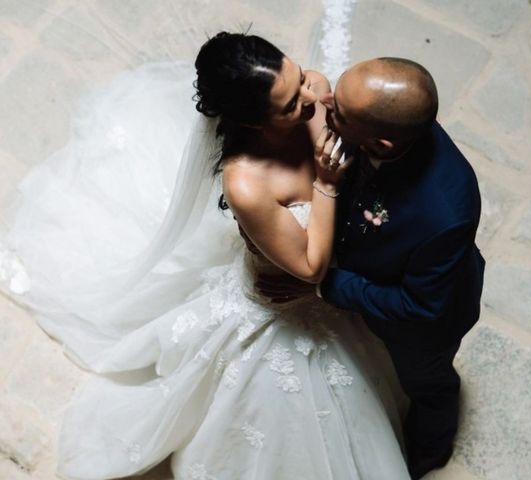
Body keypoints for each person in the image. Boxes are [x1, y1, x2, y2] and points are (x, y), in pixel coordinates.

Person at [0, 34, 412, 479]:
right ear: (253, 123)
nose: (313, 97)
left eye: (299, 78)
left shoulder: (313, 88)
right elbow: (310, 266)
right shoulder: (246, 183)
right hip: (280, 309)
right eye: (291, 103)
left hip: (327, 297)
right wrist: (327, 185)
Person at [317, 58, 486, 479]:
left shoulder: (444, 212)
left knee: (428, 385)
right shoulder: (381, 128)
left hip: (427, 323)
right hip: (379, 264)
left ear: (383, 144)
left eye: (336, 111)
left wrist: (332, 284)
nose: (324, 105)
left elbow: (420, 306)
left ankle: (430, 451)